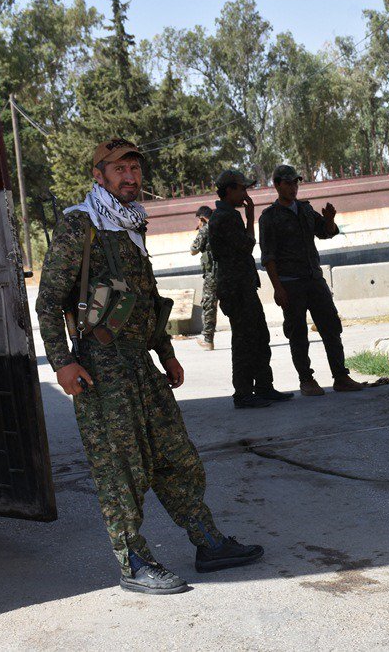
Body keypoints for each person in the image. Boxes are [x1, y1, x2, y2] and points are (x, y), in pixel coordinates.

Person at [35, 138, 263, 595]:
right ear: (98, 175)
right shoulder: (81, 225)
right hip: (99, 368)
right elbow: (47, 302)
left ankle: (207, 541)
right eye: (119, 168)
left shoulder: (132, 225)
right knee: (120, 467)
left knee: (176, 455)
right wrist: (62, 363)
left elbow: (140, 299)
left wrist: (166, 350)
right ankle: (133, 560)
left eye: (135, 168)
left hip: (139, 363)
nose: (130, 176)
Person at [259, 165, 364, 397]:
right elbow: (268, 257)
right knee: (297, 333)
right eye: (288, 184)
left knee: (331, 327)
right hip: (290, 283)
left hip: (314, 279)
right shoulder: (269, 217)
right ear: (277, 185)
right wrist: (278, 288)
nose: (293, 188)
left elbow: (326, 232)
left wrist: (329, 220)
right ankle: (306, 380)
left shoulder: (305, 210)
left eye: (296, 183)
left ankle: (340, 376)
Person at [208, 169, 293, 409]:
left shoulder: (226, 215)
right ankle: (244, 393)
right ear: (229, 190)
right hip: (236, 289)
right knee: (245, 341)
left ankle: (264, 387)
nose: (245, 194)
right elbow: (246, 245)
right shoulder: (225, 217)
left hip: (241, 286)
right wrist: (250, 218)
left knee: (258, 336)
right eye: (242, 189)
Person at [190, 205, 218, 350]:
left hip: (212, 275)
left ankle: (208, 340)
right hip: (228, 272)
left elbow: (193, 250)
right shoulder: (222, 225)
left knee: (209, 305)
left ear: (202, 218)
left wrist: (201, 230)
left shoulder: (206, 228)